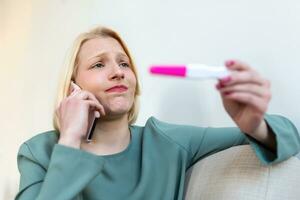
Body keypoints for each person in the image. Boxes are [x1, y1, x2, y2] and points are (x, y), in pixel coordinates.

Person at [15, 26, 300, 200]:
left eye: (124, 64)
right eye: (99, 65)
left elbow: (287, 133)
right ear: (72, 88)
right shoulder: (39, 151)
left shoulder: (165, 141)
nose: (118, 72)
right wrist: (70, 139)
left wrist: (253, 125)